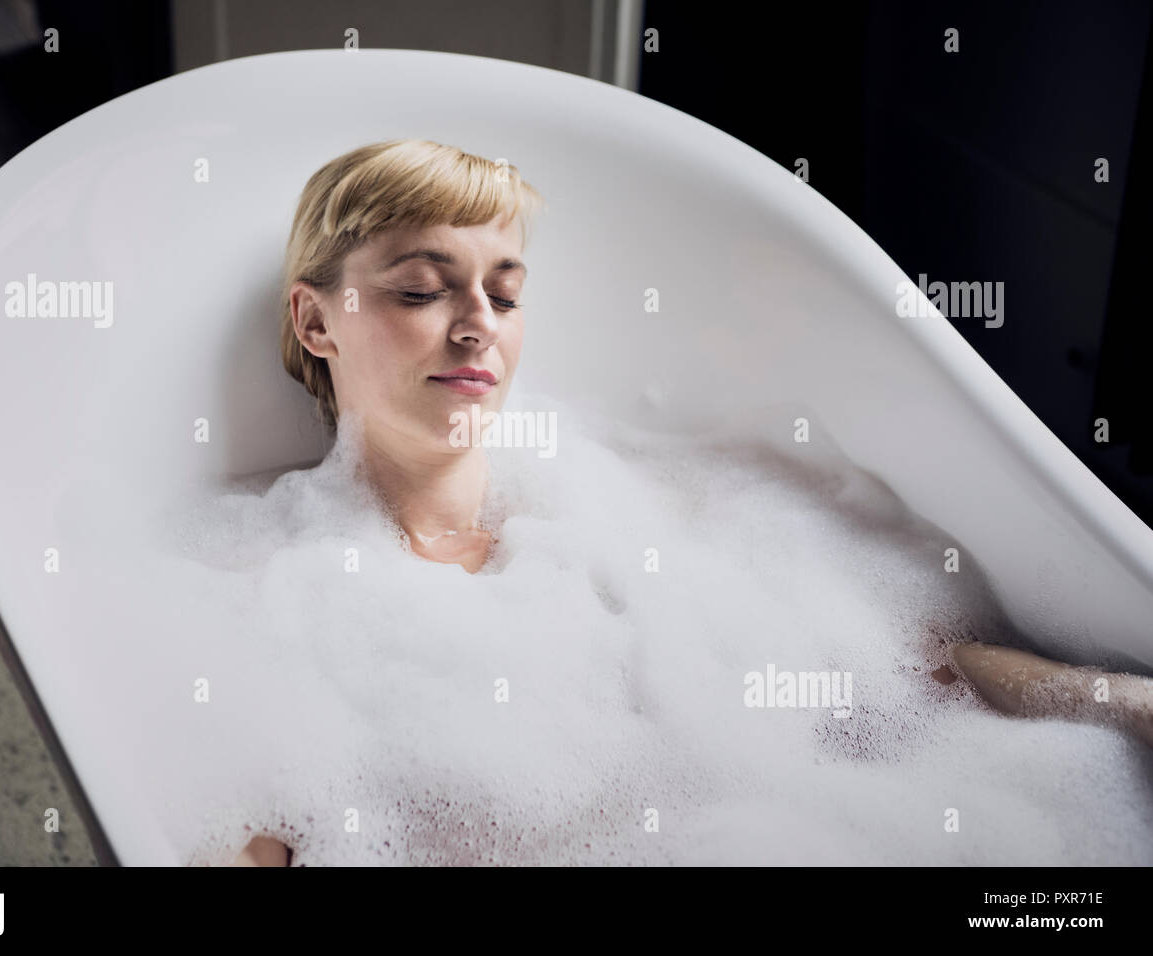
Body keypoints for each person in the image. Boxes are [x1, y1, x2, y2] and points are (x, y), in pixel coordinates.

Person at [228, 138, 1153, 866]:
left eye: (504, 297)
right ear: (317, 322)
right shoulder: (273, 604)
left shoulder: (632, 506)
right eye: (422, 289)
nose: (476, 324)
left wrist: (1114, 700)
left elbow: (910, 676)